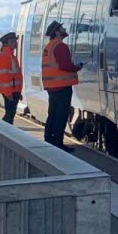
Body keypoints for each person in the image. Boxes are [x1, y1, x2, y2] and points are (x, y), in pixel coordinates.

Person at [42, 21, 82, 152]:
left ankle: (48, 141)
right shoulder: (61, 46)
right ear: (57, 32)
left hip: (52, 87)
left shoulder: (49, 46)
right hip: (62, 87)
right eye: (61, 28)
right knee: (61, 115)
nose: (64, 29)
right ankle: (58, 143)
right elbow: (64, 66)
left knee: (52, 115)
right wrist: (78, 67)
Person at [0, 32, 23, 125]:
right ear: (6, 43)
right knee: (9, 114)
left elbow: (14, 76)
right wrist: (8, 93)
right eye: (12, 41)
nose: (15, 43)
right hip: (10, 92)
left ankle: (4, 131)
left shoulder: (11, 56)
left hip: (14, 91)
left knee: (11, 114)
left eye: (15, 41)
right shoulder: (5, 56)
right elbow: (3, 77)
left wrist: (18, 92)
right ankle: (2, 131)